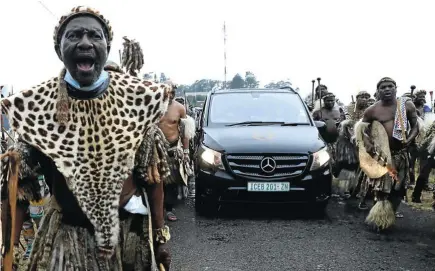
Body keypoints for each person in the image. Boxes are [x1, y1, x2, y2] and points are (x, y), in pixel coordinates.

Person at [1, 6, 172, 270]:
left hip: (126, 237)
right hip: (65, 239)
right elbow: (18, 189)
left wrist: (160, 238)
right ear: (59, 49)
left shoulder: (137, 101)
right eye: (74, 35)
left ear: (107, 45)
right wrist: (8, 252)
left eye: (94, 36)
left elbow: (152, 179)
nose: (85, 43)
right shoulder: (36, 108)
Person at [355, 77, 418, 231]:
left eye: (390, 86)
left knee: (398, 188)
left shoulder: (406, 105)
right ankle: (379, 219)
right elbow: (362, 131)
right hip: (382, 157)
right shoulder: (372, 110)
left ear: (396, 88)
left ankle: (390, 215)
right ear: (378, 91)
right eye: (383, 87)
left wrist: (409, 140)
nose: (387, 89)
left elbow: (416, 126)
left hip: (401, 155)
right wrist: (369, 146)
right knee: (381, 189)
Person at [159, 91, 195, 222]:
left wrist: (185, 152)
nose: (170, 93)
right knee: (156, 179)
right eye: (168, 91)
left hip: (173, 148)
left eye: (173, 91)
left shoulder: (180, 108)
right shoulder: (153, 105)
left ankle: (168, 209)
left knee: (171, 180)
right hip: (156, 147)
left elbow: (186, 133)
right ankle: (156, 209)